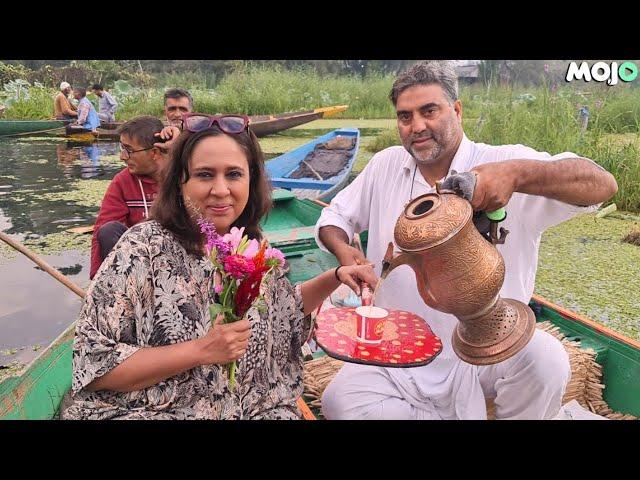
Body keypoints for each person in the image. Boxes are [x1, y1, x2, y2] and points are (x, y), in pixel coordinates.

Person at [316, 61, 618, 420]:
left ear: (456, 111)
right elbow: (333, 218)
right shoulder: (386, 165)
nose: (417, 126)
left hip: (488, 344)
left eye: (430, 111)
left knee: (546, 359)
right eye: (405, 117)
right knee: (341, 402)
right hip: (398, 349)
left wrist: (517, 175)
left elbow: (602, 186)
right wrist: (345, 250)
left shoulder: (500, 163)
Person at [61, 112, 377, 420]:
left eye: (234, 174)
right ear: (180, 181)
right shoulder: (142, 247)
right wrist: (202, 350)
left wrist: (335, 276)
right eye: (205, 174)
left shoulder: (250, 245)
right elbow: (95, 365)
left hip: (247, 407)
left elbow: (285, 310)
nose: (221, 190)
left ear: (251, 181)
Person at [89, 115, 172, 279]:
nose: (123, 157)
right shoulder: (123, 181)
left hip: (176, 260)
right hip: (138, 266)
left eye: (129, 150)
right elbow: (102, 230)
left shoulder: (182, 177)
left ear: (155, 152)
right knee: (109, 230)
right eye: (122, 149)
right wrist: (96, 280)